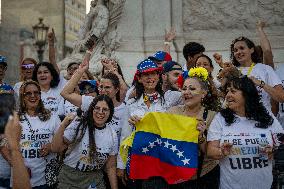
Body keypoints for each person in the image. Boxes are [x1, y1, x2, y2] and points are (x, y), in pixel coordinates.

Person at [207, 76, 284, 189]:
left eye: (233, 91)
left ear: (247, 94)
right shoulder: (221, 118)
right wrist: (221, 151)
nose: (228, 95)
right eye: (227, 91)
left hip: (264, 185)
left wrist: (273, 150)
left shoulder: (265, 115)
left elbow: (280, 140)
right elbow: (210, 151)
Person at [117, 59, 182, 187]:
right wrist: (121, 165)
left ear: (159, 76)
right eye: (146, 75)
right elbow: (125, 135)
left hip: (160, 163)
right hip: (137, 160)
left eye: (153, 73)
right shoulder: (131, 104)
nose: (150, 77)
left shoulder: (170, 98)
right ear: (139, 79)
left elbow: (192, 96)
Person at [51, 95, 118, 189]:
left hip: (95, 180)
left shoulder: (112, 134)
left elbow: (111, 167)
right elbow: (56, 148)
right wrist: (63, 125)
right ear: (91, 109)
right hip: (70, 178)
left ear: (110, 112)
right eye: (97, 108)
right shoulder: (80, 124)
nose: (100, 112)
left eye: (105, 109)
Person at [15, 80, 61, 188]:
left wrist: (51, 147)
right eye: (28, 93)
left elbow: (62, 143)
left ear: (40, 95)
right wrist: (18, 167)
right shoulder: (15, 119)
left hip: (46, 180)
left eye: (36, 92)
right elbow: (4, 146)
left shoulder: (52, 117)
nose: (33, 96)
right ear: (22, 96)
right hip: (21, 179)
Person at [230, 36, 284, 111]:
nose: (238, 52)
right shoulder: (231, 71)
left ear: (251, 50)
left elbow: (281, 97)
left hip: (263, 119)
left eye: (242, 48)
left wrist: (261, 84)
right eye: (235, 50)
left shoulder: (265, 69)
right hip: (239, 120)